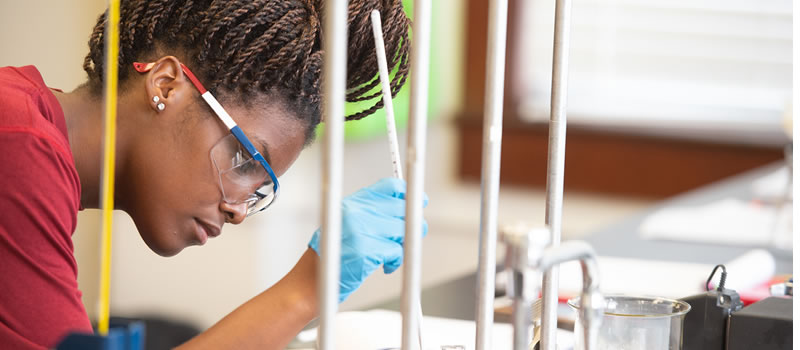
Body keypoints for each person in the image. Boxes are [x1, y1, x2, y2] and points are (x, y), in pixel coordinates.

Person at [0, 0, 424, 348]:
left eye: (260, 191)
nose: (238, 211)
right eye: (245, 161)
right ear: (166, 86)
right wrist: (306, 291)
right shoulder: (17, 142)